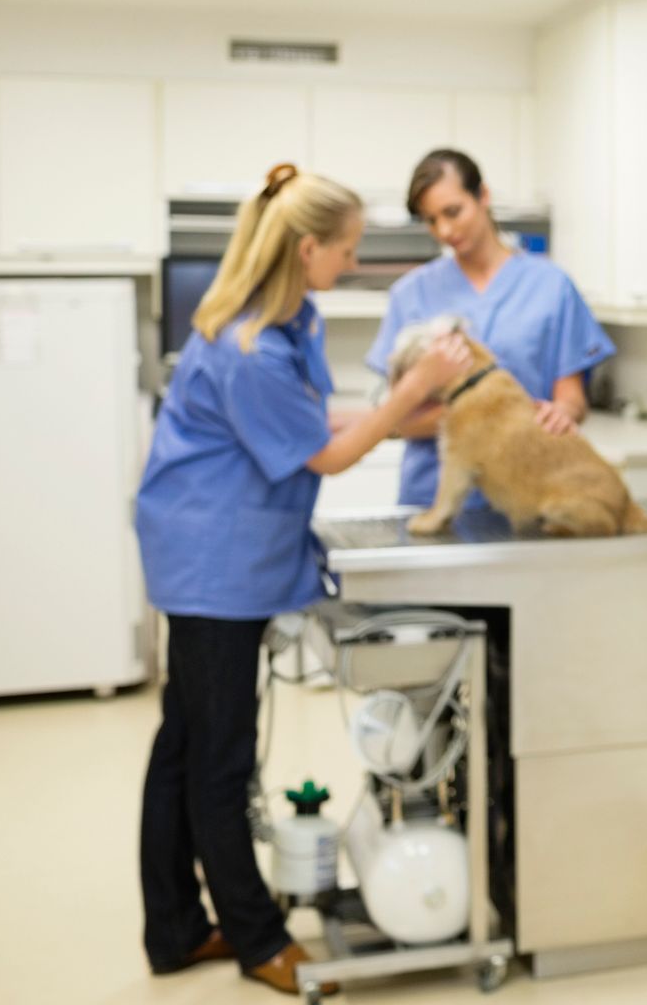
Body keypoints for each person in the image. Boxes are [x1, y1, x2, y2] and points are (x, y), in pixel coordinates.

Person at [135, 164, 470, 996]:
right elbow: (325, 452)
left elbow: (314, 419)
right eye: (348, 249)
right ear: (308, 247)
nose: (352, 263)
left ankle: (174, 927)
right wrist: (412, 393)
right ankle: (257, 940)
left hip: (213, 550)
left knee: (184, 741)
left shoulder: (282, 322)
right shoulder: (246, 344)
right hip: (214, 566)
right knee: (219, 755)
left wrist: (410, 412)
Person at [367, 148, 615, 513]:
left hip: (528, 493)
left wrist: (562, 412)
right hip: (433, 496)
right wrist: (488, 419)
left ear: (483, 196)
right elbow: (398, 417)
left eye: (453, 212)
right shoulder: (411, 294)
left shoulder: (551, 286)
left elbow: (572, 397)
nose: (445, 231)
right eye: (431, 220)